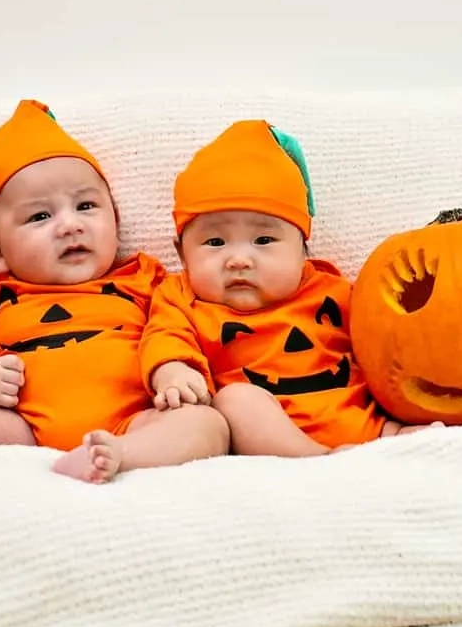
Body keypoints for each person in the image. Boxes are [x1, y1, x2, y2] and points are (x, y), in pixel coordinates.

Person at [0, 99, 228, 482]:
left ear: (115, 219)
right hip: (21, 431)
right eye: (40, 216)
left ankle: (119, 454)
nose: (69, 226)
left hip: (134, 421)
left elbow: (173, 327)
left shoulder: (145, 278)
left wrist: (172, 369)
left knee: (207, 424)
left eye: (86, 206)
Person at [139, 119, 434, 456]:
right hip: (267, 431)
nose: (238, 259)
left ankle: (393, 438)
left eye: (263, 240)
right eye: (215, 242)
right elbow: (164, 336)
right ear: (183, 254)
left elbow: (386, 336)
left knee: (414, 426)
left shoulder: (334, 291)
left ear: (302, 245)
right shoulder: (181, 297)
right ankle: (316, 458)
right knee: (234, 400)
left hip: (361, 421)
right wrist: (173, 372)